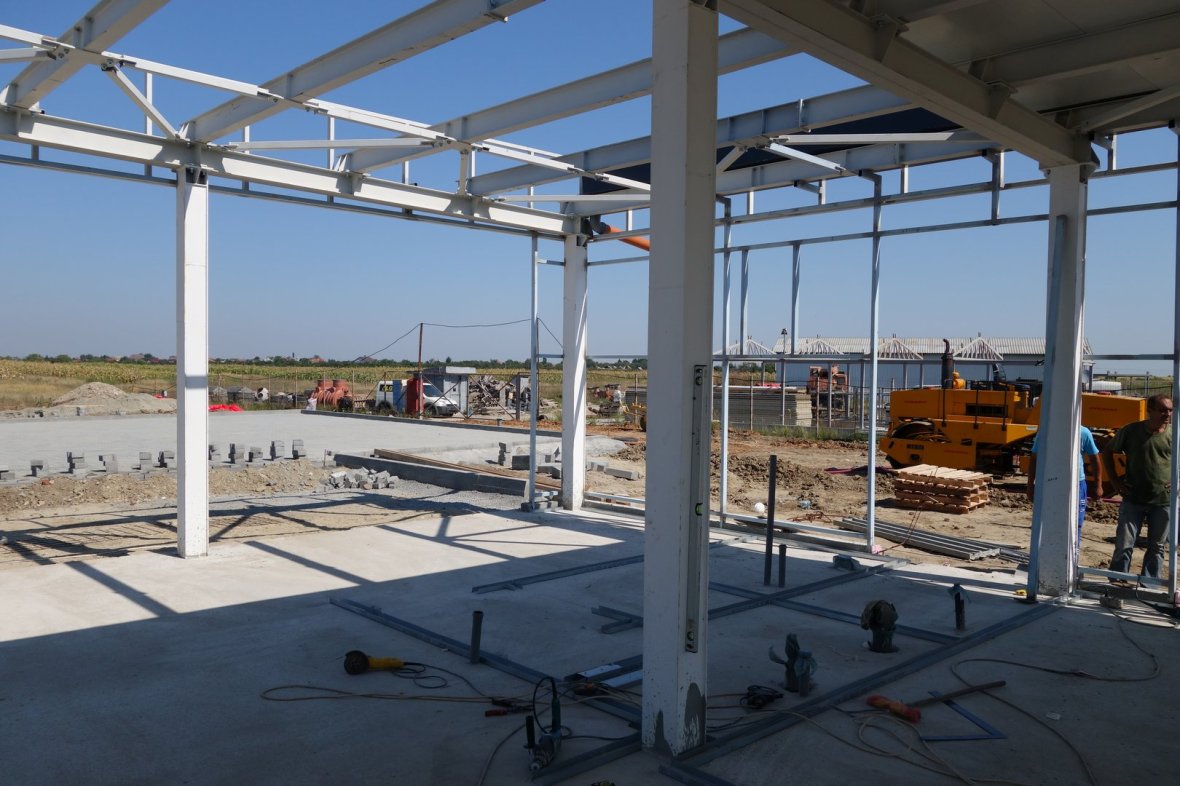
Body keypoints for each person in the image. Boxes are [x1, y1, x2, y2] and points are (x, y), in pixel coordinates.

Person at [1101, 394, 1173, 579]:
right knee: (1124, 543)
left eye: (1170, 410)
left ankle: (1150, 583)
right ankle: (1118, 579)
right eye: (1162, 410)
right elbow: (1108, 451)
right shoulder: (1131, 431)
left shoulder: (1174, 434)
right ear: (1150, 411)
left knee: (1157, 546)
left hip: (1163, 500)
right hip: (1133, 497)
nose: (1167, 414)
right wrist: (1115, 481)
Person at [1026, 425, 1103, 555]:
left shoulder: (1083, 433)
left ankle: (1073, 555)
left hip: (1077, 484)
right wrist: (1030, 485)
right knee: (1049, 520)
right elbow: (1034, 457)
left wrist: (1098, 484)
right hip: (1051, 482)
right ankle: (1048, 554)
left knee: (1076, 523)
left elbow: (1095, 458)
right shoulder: (1046, 431)